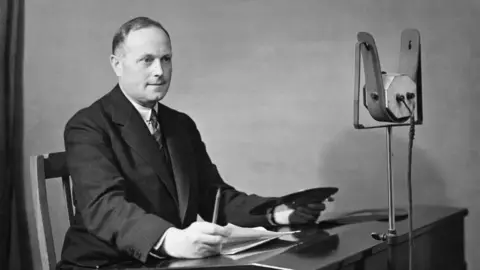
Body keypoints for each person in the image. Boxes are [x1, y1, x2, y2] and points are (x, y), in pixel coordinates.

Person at [57, 16, 328, 269]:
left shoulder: (181, 125)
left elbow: (213, 196)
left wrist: (276, 214)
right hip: (104, 264)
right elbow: (105, 205)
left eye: (166, 59)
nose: (159, 71)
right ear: (117, 64)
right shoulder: (87, 125)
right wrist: (170, 239)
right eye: (147, 60)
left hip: (167, 264)